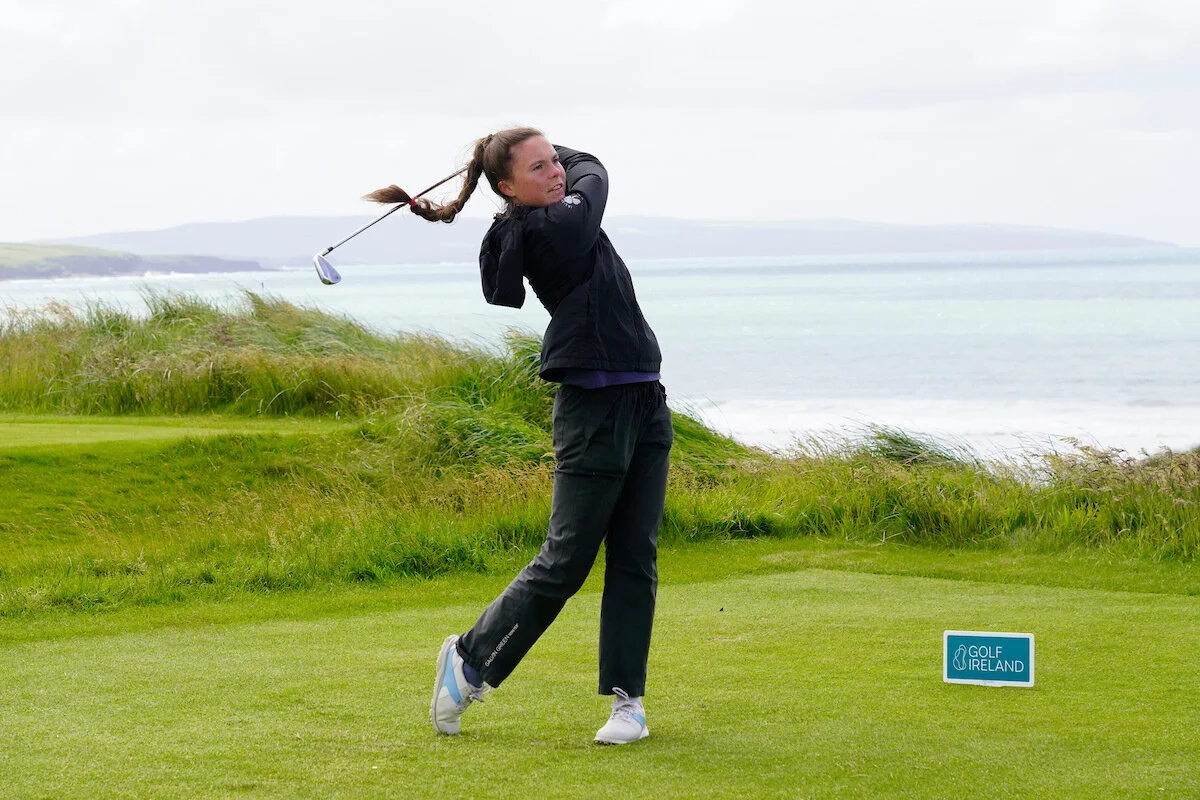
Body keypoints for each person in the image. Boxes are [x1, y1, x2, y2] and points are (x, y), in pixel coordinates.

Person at [365, 127, 672, 744]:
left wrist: (532, 147)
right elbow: (595, 171)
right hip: (593, 408)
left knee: (635, 557)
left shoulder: (550, 209)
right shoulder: (550, 225)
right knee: (566, 561)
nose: (557, 172)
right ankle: (469, 659)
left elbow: (577, 170)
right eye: (539, 168)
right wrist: (561, 150)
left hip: (645, 398)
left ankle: (627, 702)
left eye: (555, 161)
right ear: (507, 188)